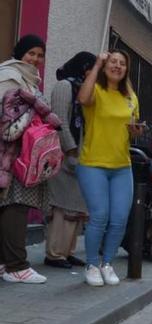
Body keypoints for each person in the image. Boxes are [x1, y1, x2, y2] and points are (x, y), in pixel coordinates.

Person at [77, 49, 145, 287]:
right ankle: (92, 264)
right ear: (105, 67)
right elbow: (82, 99)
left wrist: (136, 131)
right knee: (99, 216)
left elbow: (132, 126)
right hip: (92, 163)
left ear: (126, 69)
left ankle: (107, 263)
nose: (117, 66)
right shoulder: (95, 89)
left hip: (121, 166)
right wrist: (96, 65)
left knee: (119, 219)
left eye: (122, 63)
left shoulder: (131, 97)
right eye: (112, 62)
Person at [0, 35, 52, 283]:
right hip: (8, 153)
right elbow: (6, 120)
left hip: (23, 154)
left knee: (10, 206)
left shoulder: (31, 81)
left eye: (40, 55)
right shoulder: (9, 75)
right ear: (19, 52)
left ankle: (5, 263)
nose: (35, 59)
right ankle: (17, 266)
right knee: (15, 207)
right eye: (30, 53)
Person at [43, 51, 95, 270]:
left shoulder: (83, 89)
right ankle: (54, 254)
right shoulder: (65, 86)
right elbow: (60, 120)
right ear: (83, 67)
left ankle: (68, 251)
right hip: (64, 154)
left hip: (79, 156)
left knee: (76, 208)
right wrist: (71, 149)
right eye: (92, 68)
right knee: (62, 207)